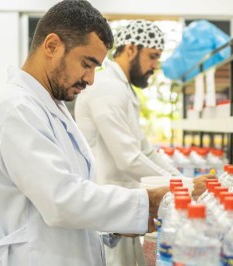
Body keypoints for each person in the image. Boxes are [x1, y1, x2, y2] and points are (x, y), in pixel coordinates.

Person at [0, 1, 174, 265]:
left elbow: (67, 195)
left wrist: (115, 224)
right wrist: (146, 201)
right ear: (52, 45)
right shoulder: (16, 109)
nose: (90, 79)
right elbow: (61, 200)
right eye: (86, 63)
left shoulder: (50, 106)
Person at [74, 20, 211, 265]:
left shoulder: (123, 90)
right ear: (131, 49)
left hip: (125, 206)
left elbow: (145, 150)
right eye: (153, 57)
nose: (155, 66)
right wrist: (187, 185)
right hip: (107, 207)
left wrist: (182, 183)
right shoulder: (107, 89)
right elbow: (128, 159)